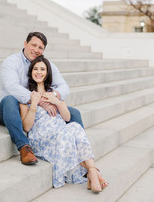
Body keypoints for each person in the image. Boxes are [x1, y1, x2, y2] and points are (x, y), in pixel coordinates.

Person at [20, 56, 108, 191]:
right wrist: (35, 104)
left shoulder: (54, 93)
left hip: (60, 131)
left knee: (74, 126)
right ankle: (94, 171)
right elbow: (26, 126)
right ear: (31, 72)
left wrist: (55, 102)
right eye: (35, 69)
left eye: (42, 69)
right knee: (67, 133)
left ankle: (91, 171)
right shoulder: (26, 95)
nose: (39, 72)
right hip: (42, 137)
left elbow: (67, 117)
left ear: (47, 72)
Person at [0, 31, 84, 165]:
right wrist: (39, 101)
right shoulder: (11, 62)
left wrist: (52, 97)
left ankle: (81, 153)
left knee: (74, 113)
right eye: (33, 45)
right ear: (25, 44)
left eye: (40, 47)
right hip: (12, 109)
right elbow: (12, 87)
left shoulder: (46, 65)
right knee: (9, 100)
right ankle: (24, 147)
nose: (36, 50)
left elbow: (64, 87)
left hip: (36, 107)